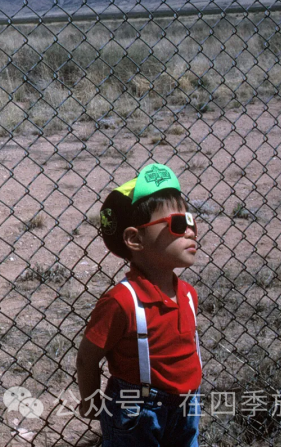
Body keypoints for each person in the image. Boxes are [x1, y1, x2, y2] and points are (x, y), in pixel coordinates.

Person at [75, 163, 203, 447]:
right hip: (137, 410)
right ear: (135, 239)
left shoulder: (188, 295)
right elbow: (87, 356)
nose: (191, 231)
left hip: (187, 405)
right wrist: (90, 401)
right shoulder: (122, 302)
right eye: (178, 224)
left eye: (191, 221)